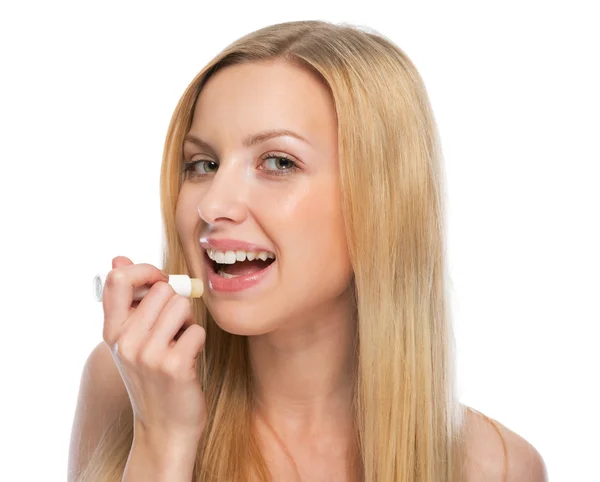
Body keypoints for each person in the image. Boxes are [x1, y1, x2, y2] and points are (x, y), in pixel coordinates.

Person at [68, 20, 547, 482]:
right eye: (203, 164)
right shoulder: (125, 386)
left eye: (278, 162)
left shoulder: (498, 469)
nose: (213, 204)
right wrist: (162, 439)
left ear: (381, 201)